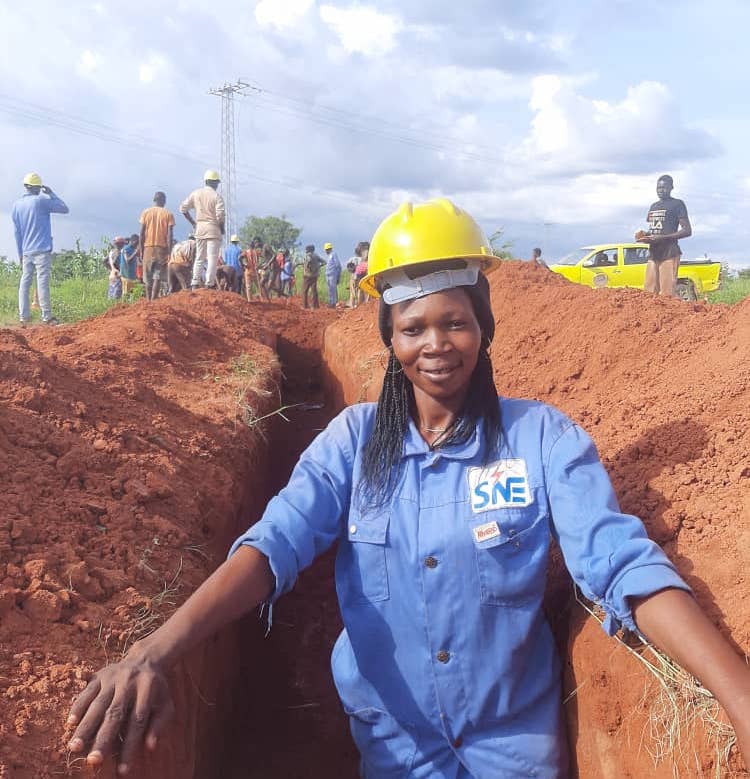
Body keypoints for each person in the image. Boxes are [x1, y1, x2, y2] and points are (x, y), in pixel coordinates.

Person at [66, 199, 750, 778]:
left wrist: (740, 697)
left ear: (484, 326)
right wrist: (153, 650)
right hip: (393, 743)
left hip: (515, 746)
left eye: (455, 321)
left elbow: (620, 561)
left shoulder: (544, 439)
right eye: (413, 327)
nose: (437, 343)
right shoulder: (351, 442)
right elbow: (273, 545)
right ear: (388, 337)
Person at [12, 172, 69, 326]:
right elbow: (64, 208)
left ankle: (24, 317)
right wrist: (51, 193)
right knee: (42, 281)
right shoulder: (41, 201)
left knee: (25, 282)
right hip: (42, 249)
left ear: (25, 187)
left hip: (26, 250)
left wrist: (20, 253)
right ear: (38, 188)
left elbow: (17, 232)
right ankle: (47, 317)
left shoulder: (16, 205)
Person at [636, 174, 692, 297]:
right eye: (658, 188)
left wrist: (663, 237)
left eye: (664, 188)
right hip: (654, 253)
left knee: (667, 294)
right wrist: (645, 236)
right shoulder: (654, 206)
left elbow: (687, 230)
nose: (661, 190)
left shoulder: (677, 204)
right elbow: (655, 229)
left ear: (671, 187)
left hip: (669, 253)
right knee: (649, 292)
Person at [180, 170, 225, 290]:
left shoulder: (196, 193)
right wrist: (222, 228)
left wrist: (193, 223)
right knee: (212, 258)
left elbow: (183, 209)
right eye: (216, 183)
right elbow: (220, 216)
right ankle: (209, 284)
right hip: (213, 230)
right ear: (215, 183)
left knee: (199, 257)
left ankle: (195, 282)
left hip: (200, 229)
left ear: (206, 181)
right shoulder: (217, 197)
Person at [139, 191, 175, 302]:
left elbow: (141, 233)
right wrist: (169, 252)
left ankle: (148, 300)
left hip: (148, 249)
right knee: (157, 276)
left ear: (154, 200)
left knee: (148, 277)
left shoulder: (145, 213)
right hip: (161, 249)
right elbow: (169, 235)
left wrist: (141, 250)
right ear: (164, 201)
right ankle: (154, 301)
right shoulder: (168, 214)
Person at [301, 243, 323, 309]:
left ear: (308, 250)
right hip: (314, 276)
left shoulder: (308, 255)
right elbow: (324, 262)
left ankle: (305, 306)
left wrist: (307, 267)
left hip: (307, 275)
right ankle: (314, 306)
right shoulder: (316, 255)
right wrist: (318, 267)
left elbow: (308, 261)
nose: (305, 250)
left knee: (304, 290)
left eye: (306, 249)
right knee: (314, 291)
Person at [323, 241, 342, 308]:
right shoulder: (329, 256)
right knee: (330, 289)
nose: (326, 251)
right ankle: (332, 302)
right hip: (328, 274)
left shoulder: (333, 254)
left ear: (329, 249)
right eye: (325, 250)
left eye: (326, 250)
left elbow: (338, 266)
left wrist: (338, 276)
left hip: (332, 274)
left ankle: (333, 303)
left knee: (332, 289)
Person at [354, 240, 370, 305]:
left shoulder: (362, 252)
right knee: (367, 287)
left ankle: (360, 304)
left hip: (360, 270)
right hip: (365, 269)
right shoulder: (367, 251)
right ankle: (366, 302)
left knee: (360, 288)